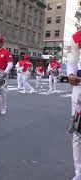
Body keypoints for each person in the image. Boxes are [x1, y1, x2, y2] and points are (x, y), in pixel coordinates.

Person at [67, 23, 81, 180]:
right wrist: (70, 73)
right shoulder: (77, 37)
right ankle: (79, 173)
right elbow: (72, 59)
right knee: (78, 132)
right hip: (80, 86)